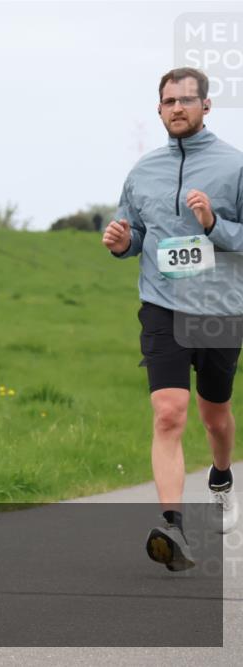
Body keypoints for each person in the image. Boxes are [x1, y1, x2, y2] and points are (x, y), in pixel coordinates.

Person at [103, 67, 243, 571]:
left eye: (186, 100)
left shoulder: (234, 165)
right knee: (168, 412)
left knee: (214, 414)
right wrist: (124, 243)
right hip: (162, 303)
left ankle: (221, 476)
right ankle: (172, 525)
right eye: (169, 101)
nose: (177, 108)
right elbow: (136, 231)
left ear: (206, 106)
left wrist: (214, 223)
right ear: (159, 109)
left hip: (221, 306)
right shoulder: (143, 171)